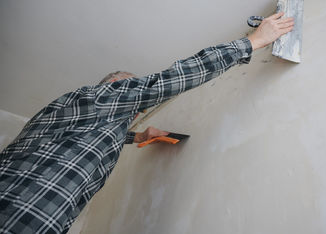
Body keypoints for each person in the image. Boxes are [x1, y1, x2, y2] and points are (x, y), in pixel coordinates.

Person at [0, 12, 294, 233]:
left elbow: (78, 141)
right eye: (130, 89)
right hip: (24, 212)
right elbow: (167, 81)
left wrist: (135, 137)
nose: (136, 108)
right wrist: (252, 42)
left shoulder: (74, 114)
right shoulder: (103, 95)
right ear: (112, 84)